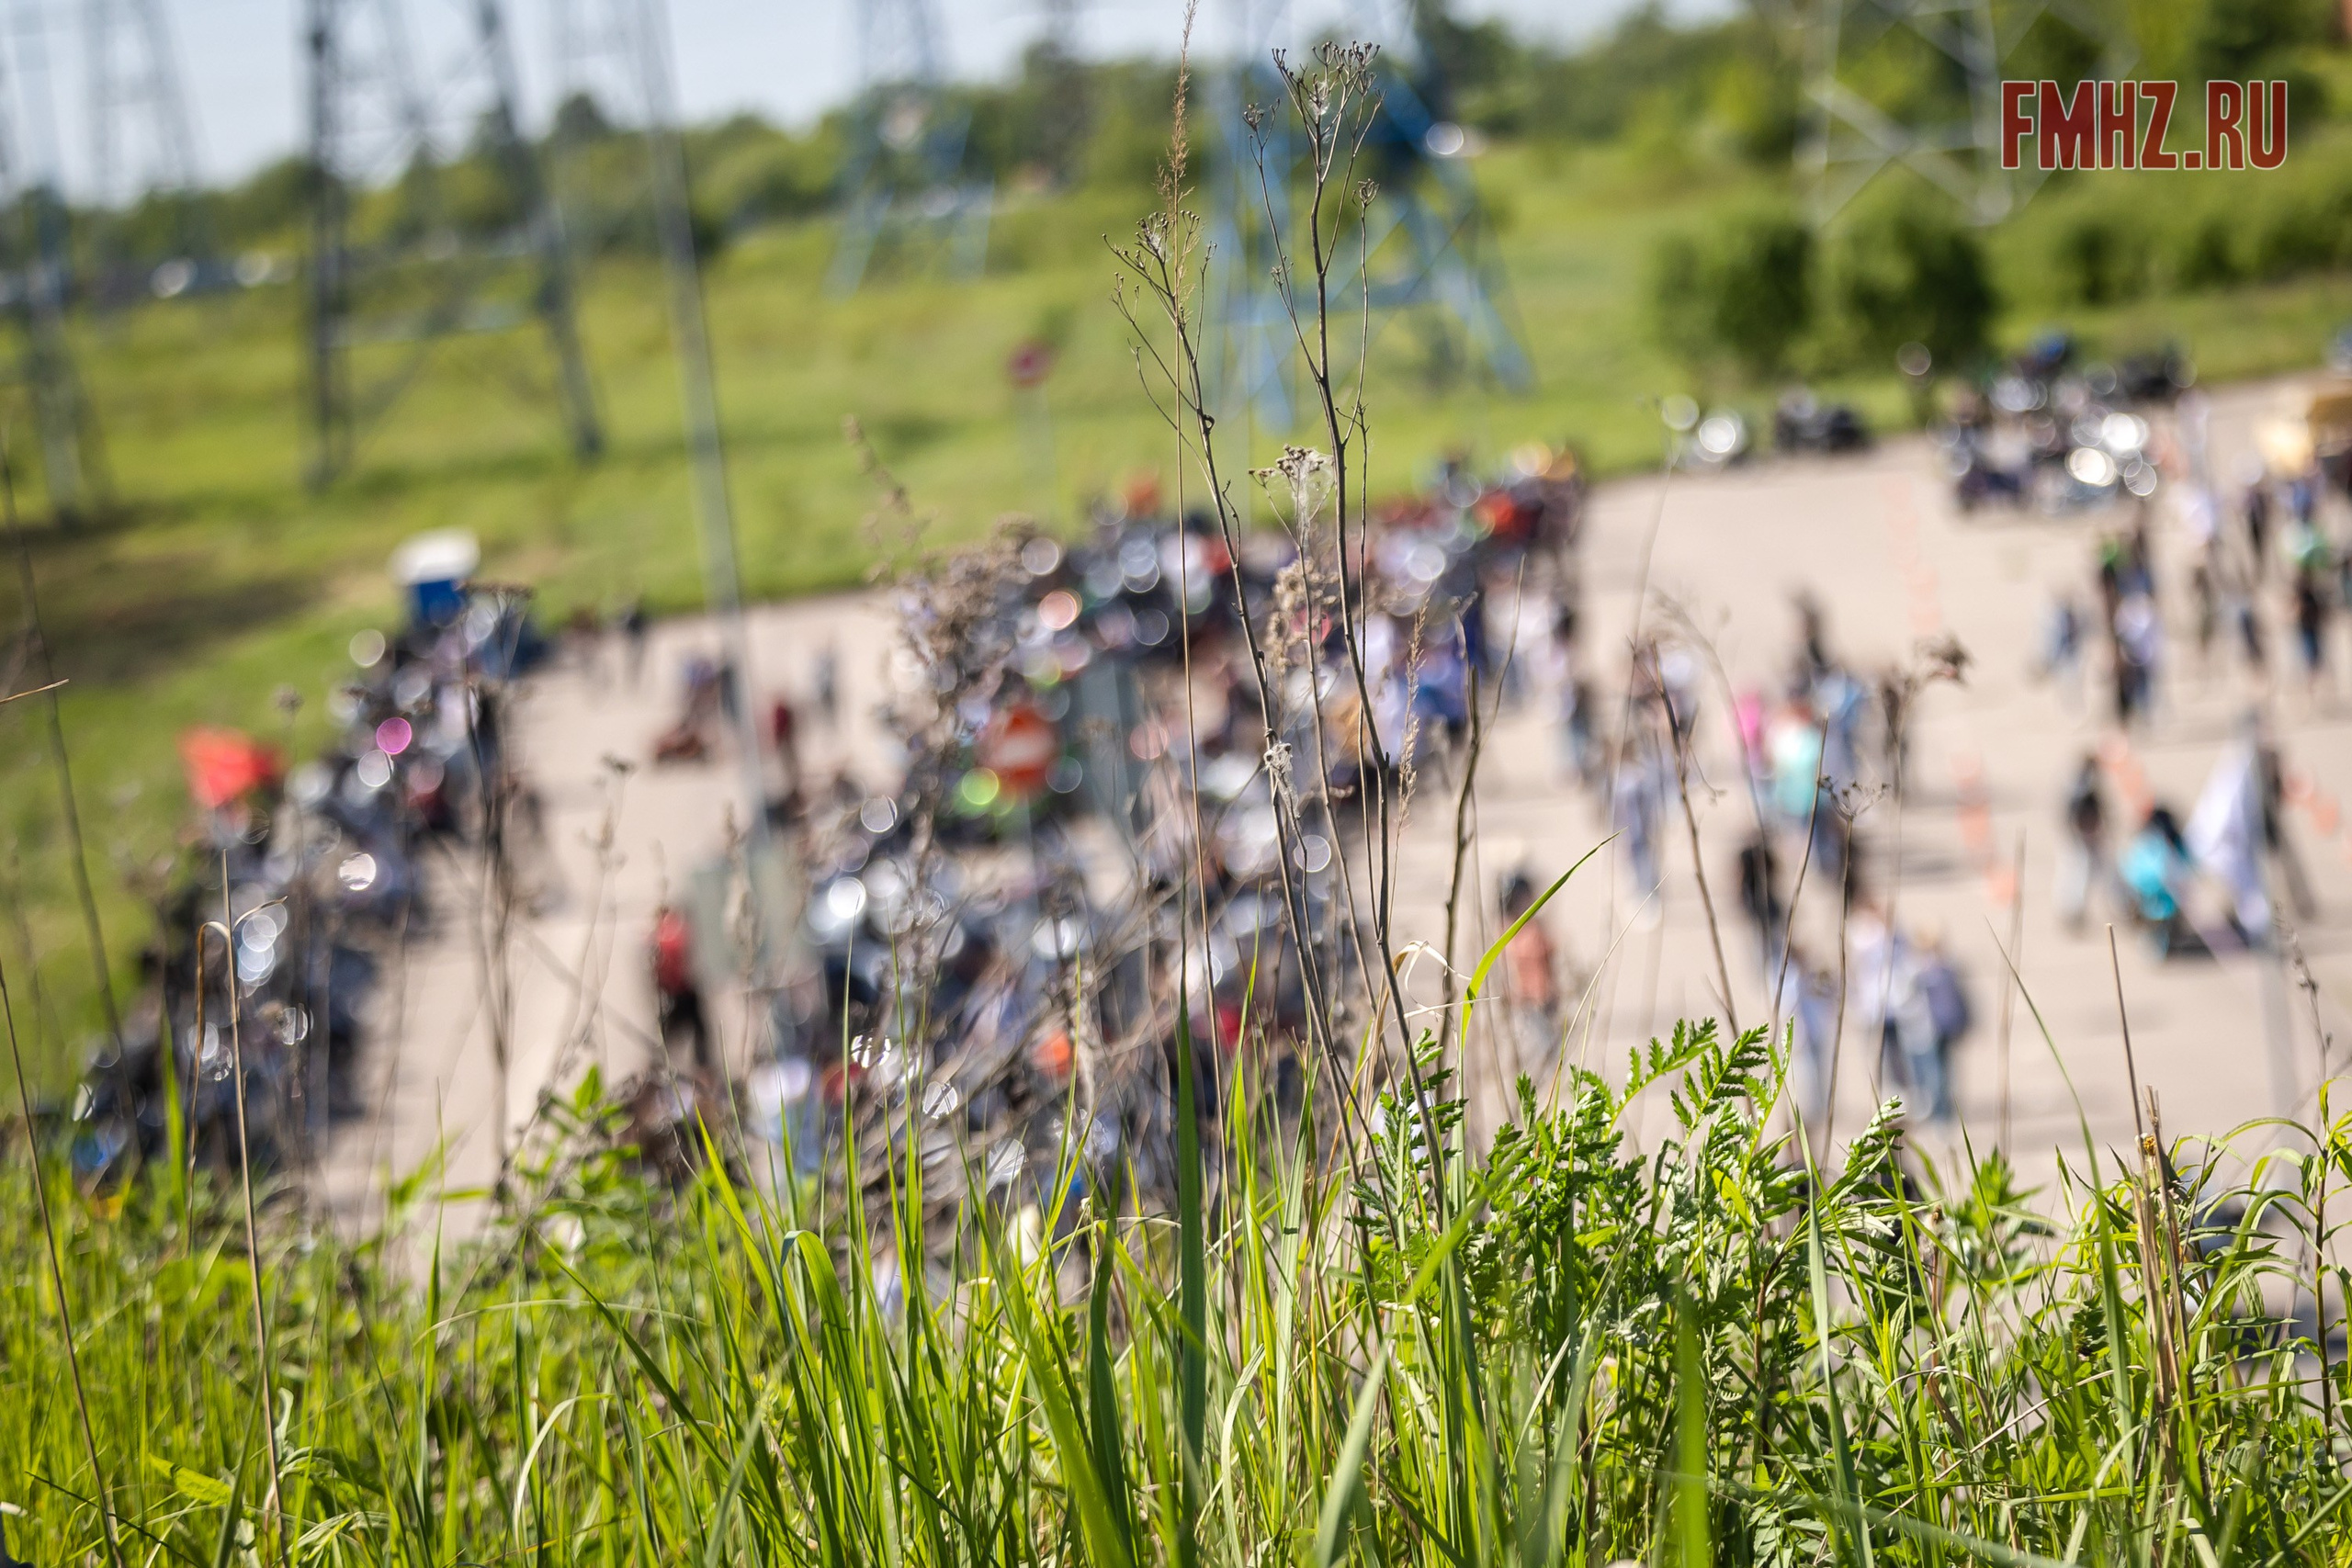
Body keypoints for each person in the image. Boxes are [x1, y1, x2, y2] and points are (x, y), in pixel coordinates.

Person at [651, 903, 709, 1070]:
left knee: (675, 1036)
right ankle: (698, 1067)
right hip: (679, 992)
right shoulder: (671, 934)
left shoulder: (659, 937)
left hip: (675, 992)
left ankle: (664, 1067)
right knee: (695, 1033)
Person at [2056, 755, 2109, 932]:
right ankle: (2072, 912)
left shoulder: (2084, 787)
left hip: (2088, 838)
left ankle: (2075, 911)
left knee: (2090, 874)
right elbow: (2071, 817)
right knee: (2078, 875)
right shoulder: (2079, 788)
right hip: (2080, 840)